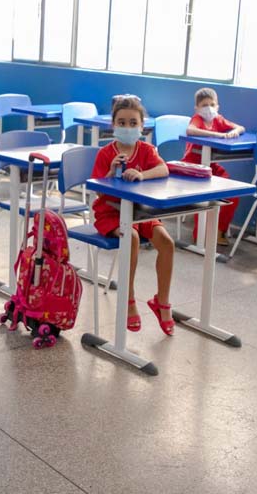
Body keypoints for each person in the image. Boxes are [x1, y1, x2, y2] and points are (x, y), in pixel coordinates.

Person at [91, 95, 176, 335]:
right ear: (113, 125)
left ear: (141, 126)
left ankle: (162, 301)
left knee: (167, 243)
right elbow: (97, 190)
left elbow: (163, 169)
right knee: (133, 239)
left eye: (132, 123)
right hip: (111, 213)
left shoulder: (146, 150)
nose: (127, 127)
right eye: (121, 122)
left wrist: (142, 175)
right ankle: (128, 300)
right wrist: (109, 172)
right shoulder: (106, 153)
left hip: (140, 211)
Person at [182, 86, 245, 245]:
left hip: (210, 165)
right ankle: (200, 236)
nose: (208, 108)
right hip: (193, 166)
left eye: (212, 104)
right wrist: (218, 135)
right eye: (204, 105)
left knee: (232, 192)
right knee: (203, 195)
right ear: (197, 108)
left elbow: (240, 127)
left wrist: (234, 132)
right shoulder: (197, 119)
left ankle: (219, 231)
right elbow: (191, 130)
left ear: (217, 106)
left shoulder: (218, 119)